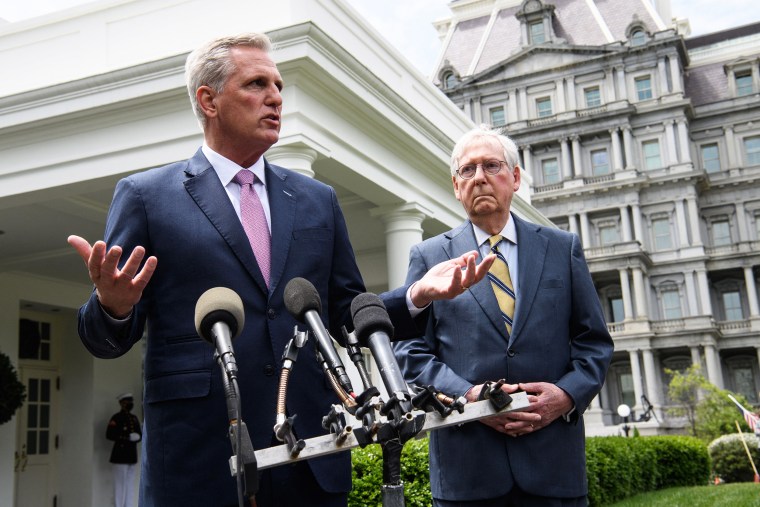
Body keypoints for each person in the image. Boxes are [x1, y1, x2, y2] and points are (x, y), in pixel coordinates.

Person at [68, 33, 491, 507]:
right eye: (256, 84)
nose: (275, 97)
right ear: (208, 100)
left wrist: (417, 295)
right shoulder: (148, 197)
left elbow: (345, 312)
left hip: (311, 455)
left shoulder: (316, 200)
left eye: (279, 85)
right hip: (199, 463)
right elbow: (103, 339)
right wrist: (113, 307)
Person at [393, 126, 614, 507]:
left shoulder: (562, 249)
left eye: (491, 166)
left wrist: (564, 396)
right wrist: (469, 398)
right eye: (467, 170)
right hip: (467, 470)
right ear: (456, 185)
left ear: (514, 177)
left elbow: (593, 343)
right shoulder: (429, 257)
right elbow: (409, 351)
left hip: (553, 466)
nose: (479, 177)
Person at [107, 392, 141, 507]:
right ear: (121, 403)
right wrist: (127, 437)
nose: (130, 404)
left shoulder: (134, 418)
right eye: (128, 402)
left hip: (131, 456)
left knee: (129, 486)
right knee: (119, 487)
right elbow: (110, 434)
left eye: (131, 402)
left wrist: (137, 437)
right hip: (120, 456)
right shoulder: (116, 418)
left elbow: (139, 435)